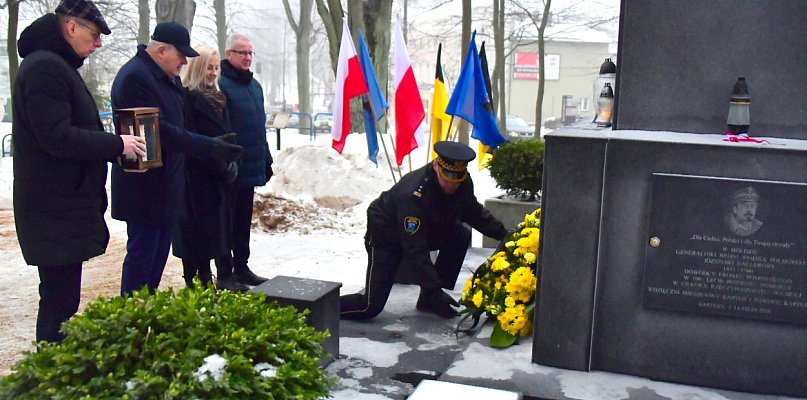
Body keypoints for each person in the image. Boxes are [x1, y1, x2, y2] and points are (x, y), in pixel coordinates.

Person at [12, 0, 147, 343]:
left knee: (63, 299)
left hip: (60, 207)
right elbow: (57, 137)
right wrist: (116, 146)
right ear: (71, 28)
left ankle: (53, 374)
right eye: (95, 34)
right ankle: (50, 380)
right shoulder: (45, 67)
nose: (98, 43)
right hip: (53, 208)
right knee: (58, 303)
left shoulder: (55, 64)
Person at [111, 22, 243, 296]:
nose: (185, 61)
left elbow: (177, 125)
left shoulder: (163, 77)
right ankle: (133, 319)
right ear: (161, 50)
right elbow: (159, 131)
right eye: (181, 55)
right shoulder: (136, 78)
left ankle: (145, 316)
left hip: (166, 186)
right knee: (142, 260)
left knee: (156, 261)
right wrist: (209, 146)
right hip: (145, 189)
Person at [340, 141, 507, 320]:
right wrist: (434, 290)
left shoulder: (462, 182)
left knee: (460, 234)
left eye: (456, 181)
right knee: (370, 306)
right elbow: (415, 250)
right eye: (447, 180)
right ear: (436, 166)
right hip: (387, 236)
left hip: (426, 229)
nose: (452, 186)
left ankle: (428, 300)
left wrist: (504, 235)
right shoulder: (414, 194)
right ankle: (318, 306)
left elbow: (473, 212)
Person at [173, 45, 248, 292]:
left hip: (220, 174)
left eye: (216, 67)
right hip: (199, 176)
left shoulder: (218, 98)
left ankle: (224, 274)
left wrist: (232, 161)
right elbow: (192, 140)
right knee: (200, 232)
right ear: (197, 67)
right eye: (209, 67)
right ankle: (201, 278)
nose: (214, 72)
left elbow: (227, 133)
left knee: (220, 227)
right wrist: (220, 165)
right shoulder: (187, 99)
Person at [216, 33, 273, 288]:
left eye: (250, 53)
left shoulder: (255, 87)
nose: (248, 57)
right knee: (226, 222)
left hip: (251, 166)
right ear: (229, 54)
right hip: (230, 168)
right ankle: (225, 270)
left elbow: (258, 128)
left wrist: (266, 159)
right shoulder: (221, 86)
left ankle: (242, 265)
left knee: (242, 222)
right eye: (242, 53)